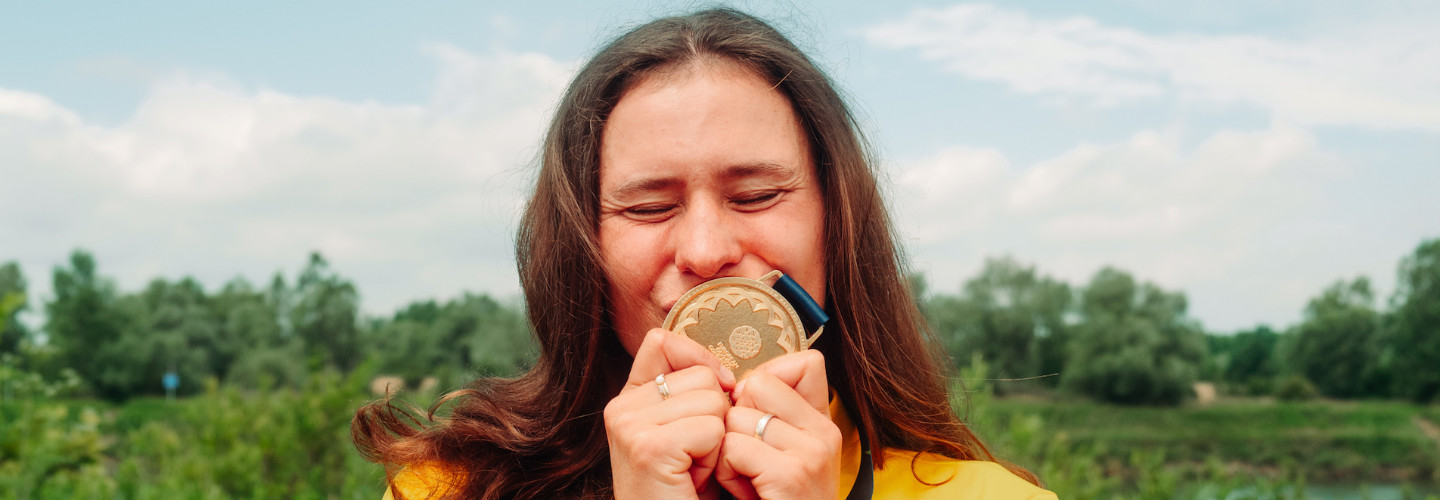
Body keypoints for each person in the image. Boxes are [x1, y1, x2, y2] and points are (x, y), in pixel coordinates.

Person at [353, 8, 1057, 500]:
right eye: (647, 207)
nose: (705, 251)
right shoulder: (448, 490)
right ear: (580, 248)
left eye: (755, 196)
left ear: (836, 225)